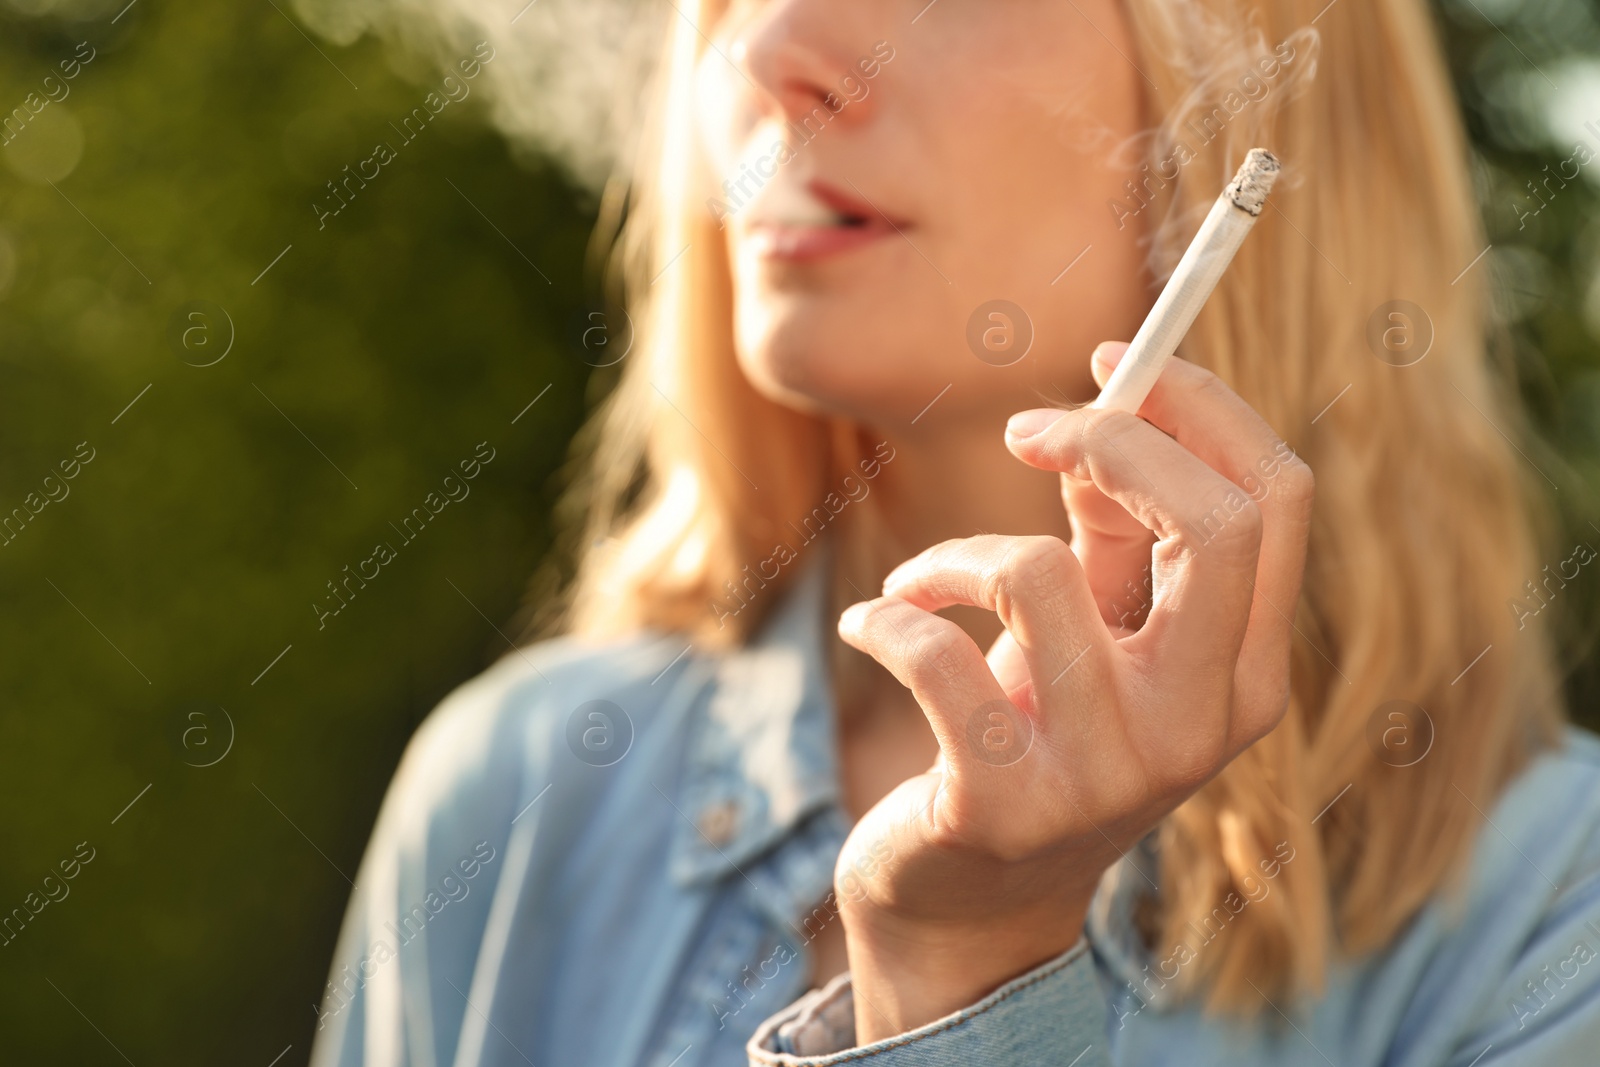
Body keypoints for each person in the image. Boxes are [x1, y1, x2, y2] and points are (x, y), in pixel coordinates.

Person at [310, 0, 1600, 1063]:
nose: (764, 53)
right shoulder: (521, 791)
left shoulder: (1552, 918)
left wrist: (964, 972)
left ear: (1249, 91)